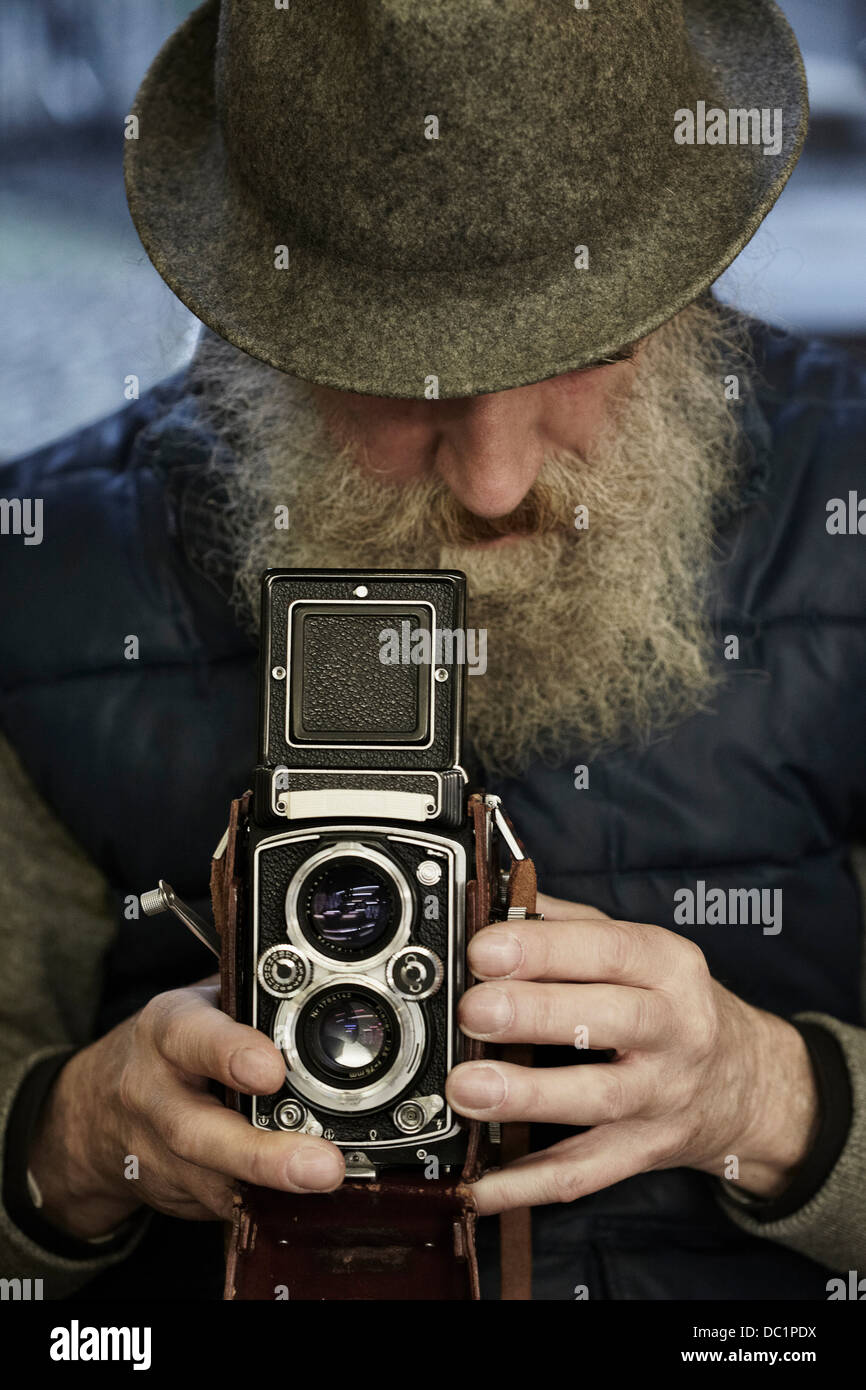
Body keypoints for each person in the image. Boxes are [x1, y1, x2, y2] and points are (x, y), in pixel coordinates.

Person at [1, 0, 864, 1301]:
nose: (496, 475)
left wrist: (776, 1097)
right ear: (258, 324)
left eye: (581, 354)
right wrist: (68, 1140)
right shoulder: (40, 582)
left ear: (683, 282)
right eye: (397, 383)